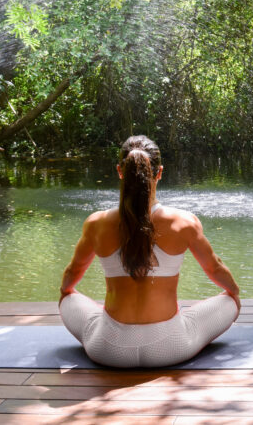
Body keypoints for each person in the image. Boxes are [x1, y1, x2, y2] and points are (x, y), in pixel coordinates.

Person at [58, 135, 240, 367]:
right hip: (171, 346)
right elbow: (214, 269)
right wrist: (235, 292)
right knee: (230, 301)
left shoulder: (97, 223)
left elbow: (73, 273)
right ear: (159, 172)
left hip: (108, 349)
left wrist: (66, 291)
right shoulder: (184, 222)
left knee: (68, 298)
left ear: (120, 171)